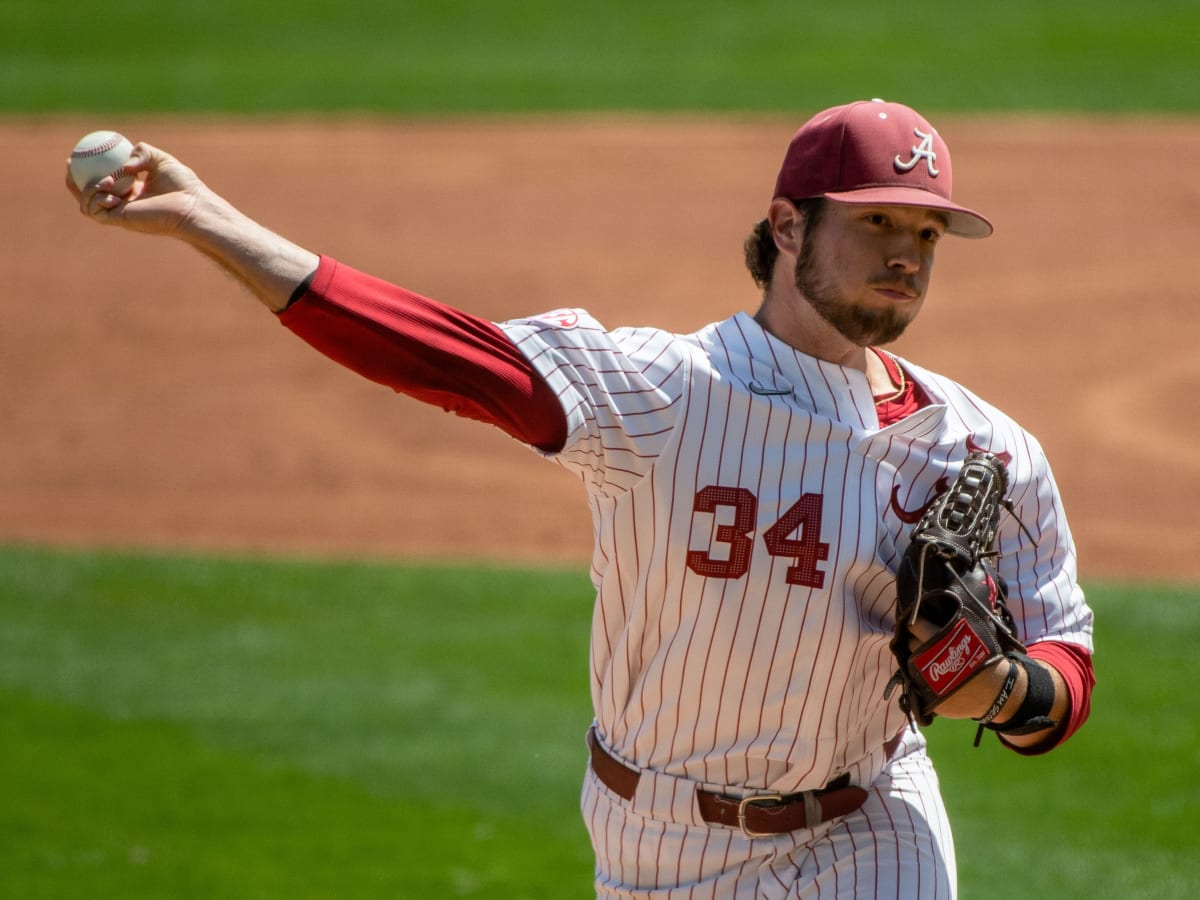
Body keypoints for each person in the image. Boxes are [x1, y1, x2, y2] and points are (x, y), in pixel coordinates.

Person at [69, 99, 1095, 898]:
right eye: (877, 221)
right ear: (788, 223)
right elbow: (447, 357)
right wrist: (213, 224)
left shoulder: (980, 447)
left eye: (926, 232)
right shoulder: (662, 394)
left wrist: (1005, 694)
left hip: (874, 822)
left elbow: (1063, 657)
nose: (907, 254)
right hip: (661, 841)